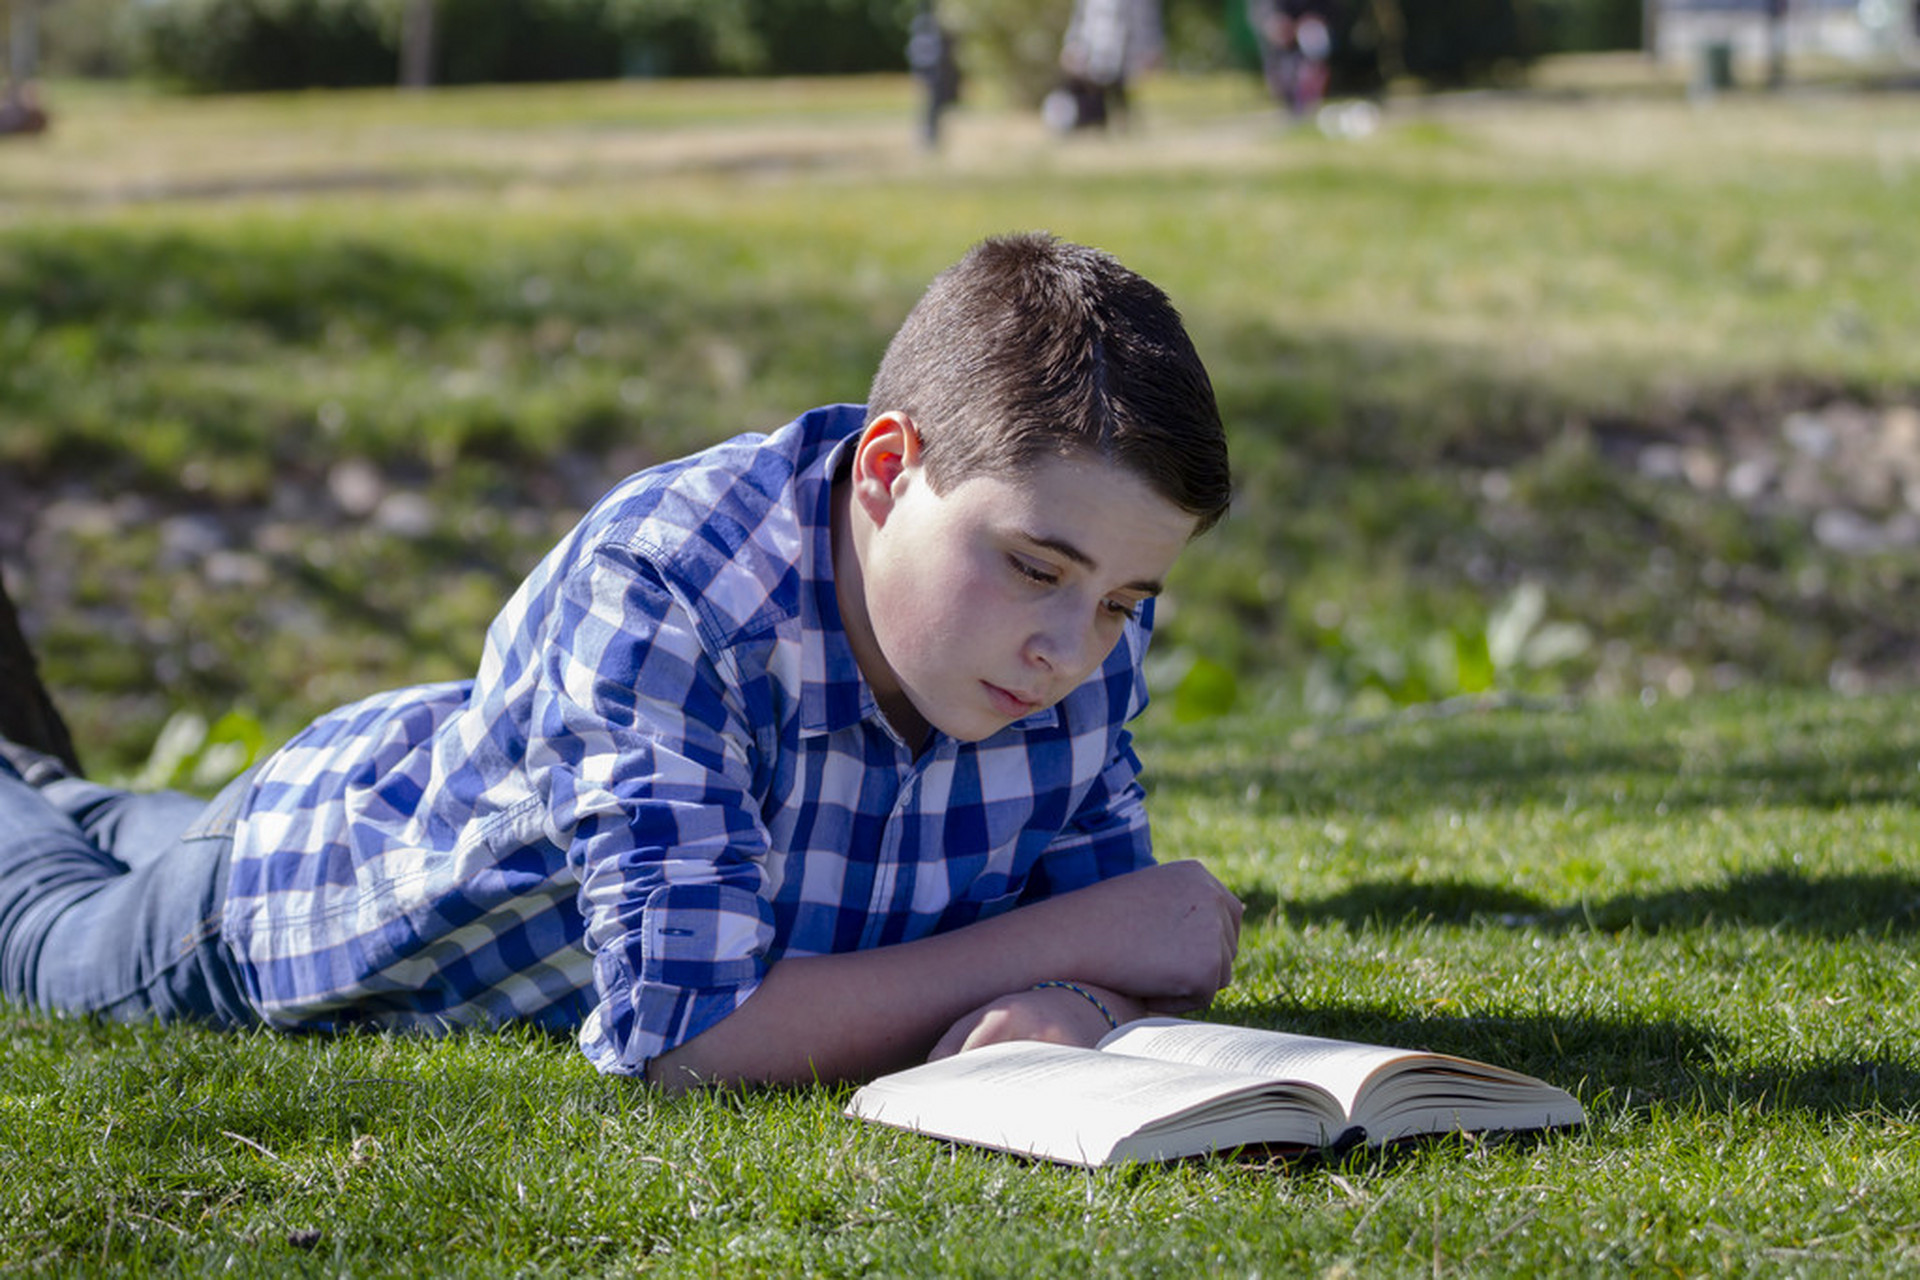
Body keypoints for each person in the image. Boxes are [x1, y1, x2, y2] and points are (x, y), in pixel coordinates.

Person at [0, 233, 1241, 1092]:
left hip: (413, 769)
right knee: (44, 917)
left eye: (1128, 598)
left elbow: (1117, 946)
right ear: (884, 471)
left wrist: (1082, 1001)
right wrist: (1057, 954)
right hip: (294, 894)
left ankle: (66, 794)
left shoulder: (1078, 631)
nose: (1074, 645)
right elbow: (688, 1036)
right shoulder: (670, 589)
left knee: (95, 812)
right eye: (1035, 566)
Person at [1049, 0, 1163, 133]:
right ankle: (1095, 125)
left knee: (1118, 93)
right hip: (1091, 50)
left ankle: (1123, 127)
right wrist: (1071, 46)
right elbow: (1078, 19)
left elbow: (1144, 21)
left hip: (1121, 51)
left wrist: (1148, 49)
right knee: (1093, 94)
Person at [1248, 0, 1332, 121]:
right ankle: (1290, 101)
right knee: (1278, 34)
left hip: (1310, 23)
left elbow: (1329, 7)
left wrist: (1315, 16)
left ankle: (1310, 98)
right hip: (1278, 26)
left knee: (1313, 34)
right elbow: (1261, 8)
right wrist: (1273, 20)